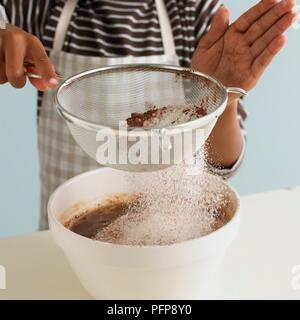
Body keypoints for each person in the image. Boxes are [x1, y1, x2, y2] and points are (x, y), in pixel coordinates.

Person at [0, 0, 297, 229]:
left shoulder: (190, 11)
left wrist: (221, 100)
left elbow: (220, 166)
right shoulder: (42, 6)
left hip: (172, 243)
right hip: (65, 246)